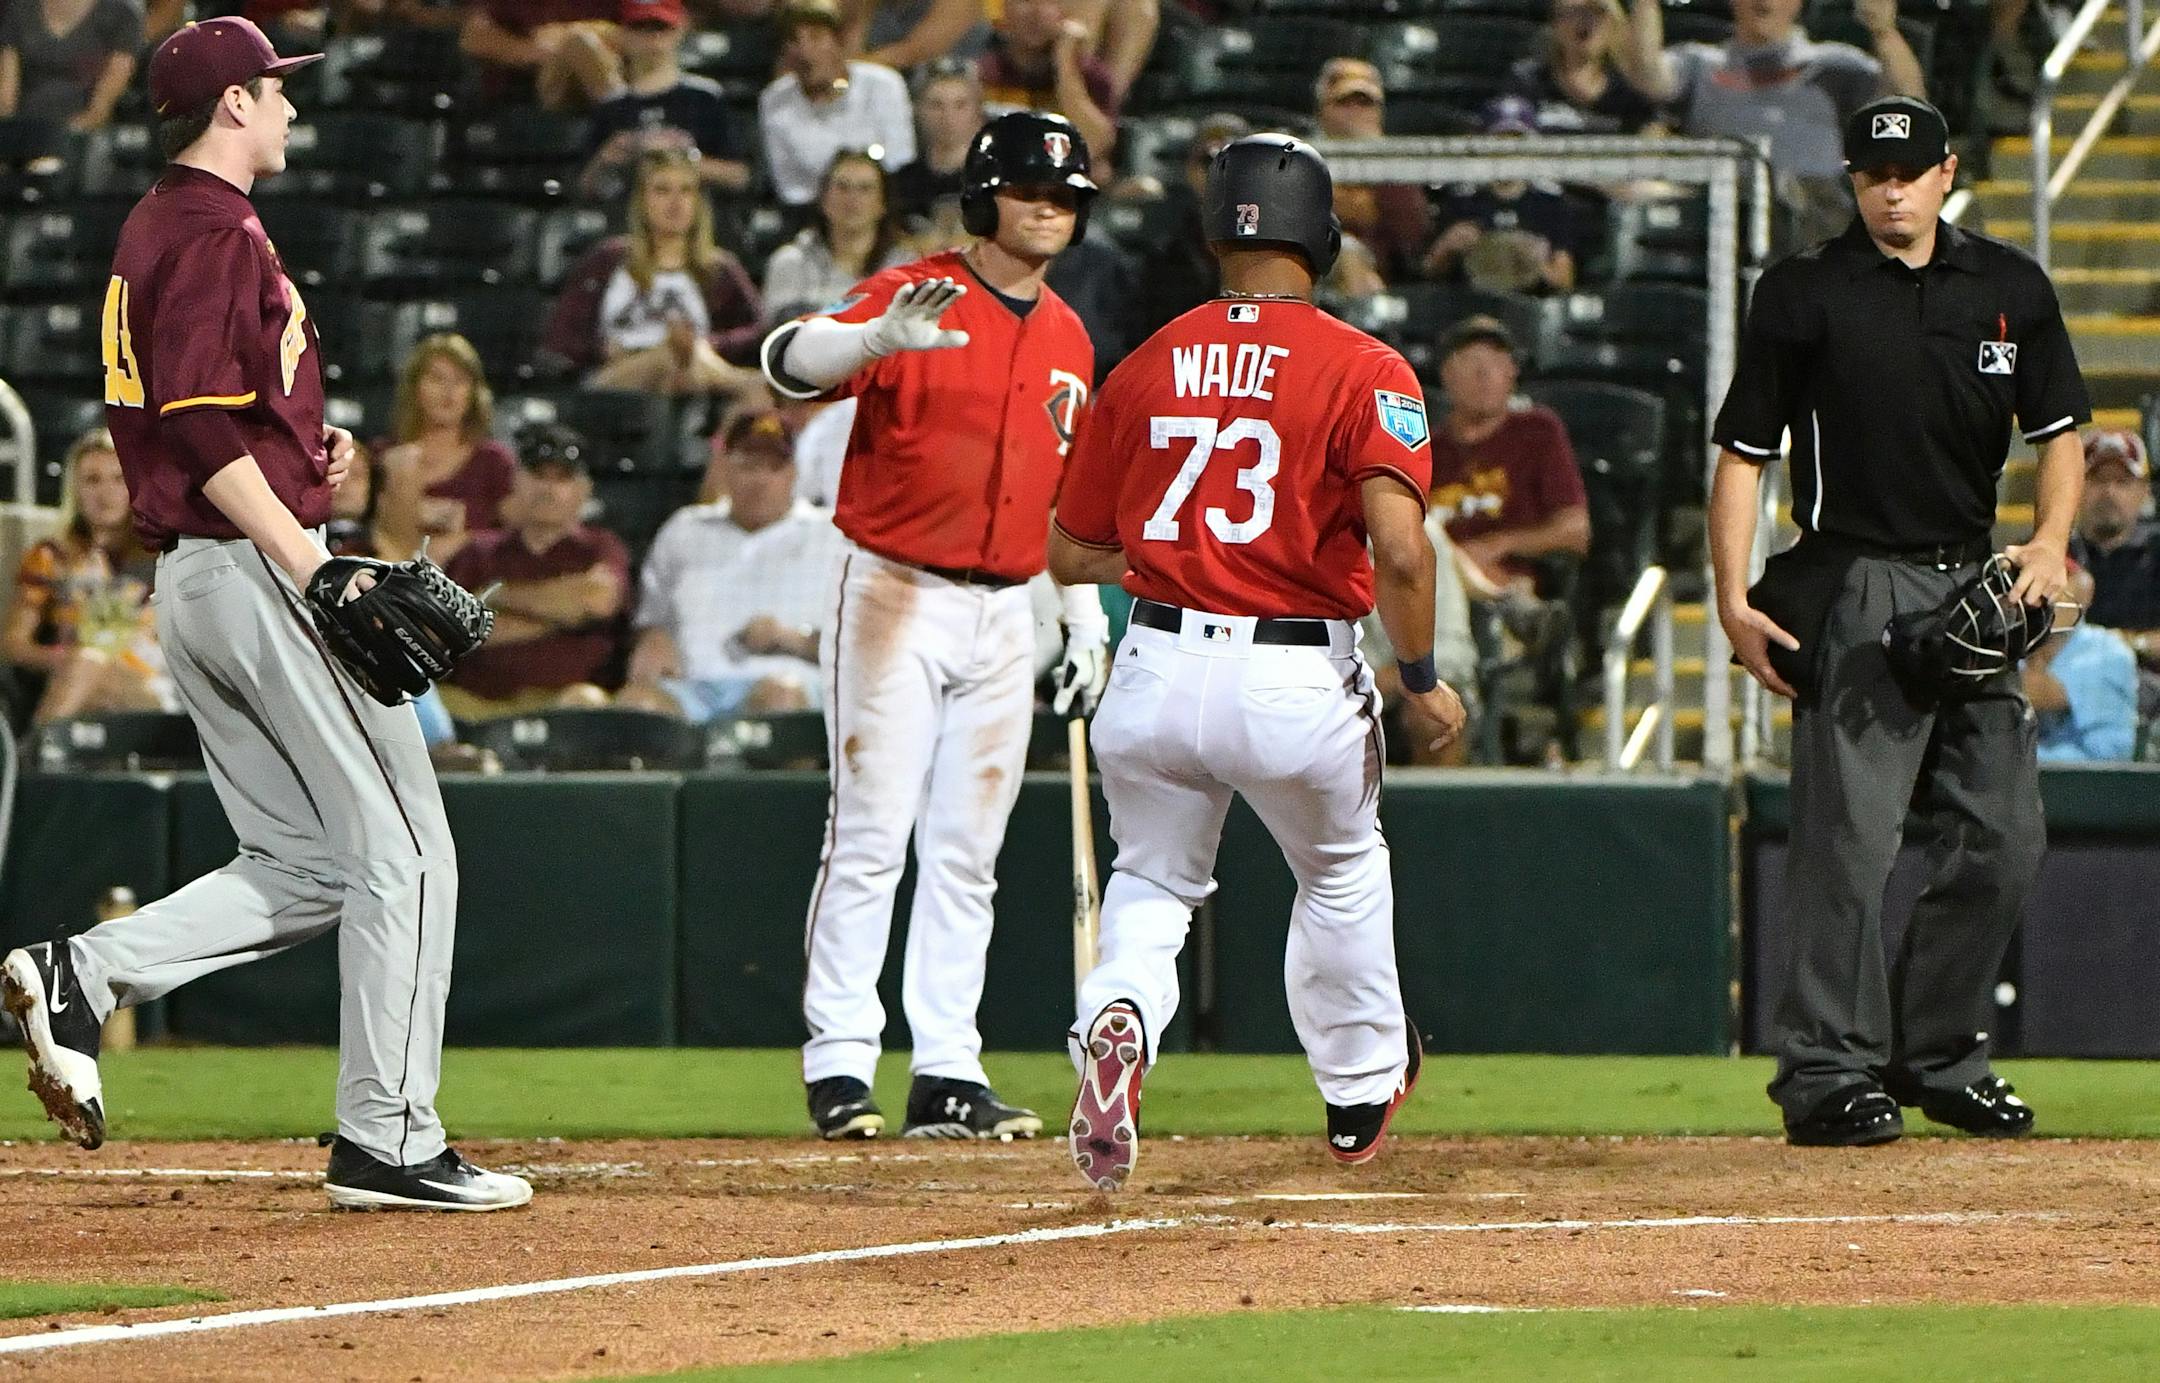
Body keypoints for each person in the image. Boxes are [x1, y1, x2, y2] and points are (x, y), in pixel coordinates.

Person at [0, 18, 530, 1210]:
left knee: (313, 861)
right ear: (230, 104)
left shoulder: (163, 225)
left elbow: (213, 415)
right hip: (251, 570)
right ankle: (389, 1140)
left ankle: (85, 972)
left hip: (205, 572)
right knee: (408, 851)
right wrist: (313, 559)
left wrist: (303, 457)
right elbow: (193, 415)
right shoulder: (210, 222)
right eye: (276, 91)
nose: (292, 108)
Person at [1048, 134, 1466, 1192]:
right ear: (1323, 238)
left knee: (1150, 879)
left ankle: (1118, 1018)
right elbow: (1403, 548)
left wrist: (1178, 555)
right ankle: (1358, 1090)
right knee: (1338, 869)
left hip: (1155, 656)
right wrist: (1419, 678)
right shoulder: (1365, 366)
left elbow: (1064, 547)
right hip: (1294, 670)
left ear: (1211, 236)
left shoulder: (1141, 361)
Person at [1711, 97, 2088, 1147]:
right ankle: (1827, 1070)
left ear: (1946, 173)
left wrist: (2051, 542)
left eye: (1911, 172)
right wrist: (1734, 596)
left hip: (1975, 580)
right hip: (1858, 581)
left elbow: (2060, 431)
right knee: (1849, 844)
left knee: (2007, 838)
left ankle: (1936, 1054)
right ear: (1852, 180)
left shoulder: (2009, 287)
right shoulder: (1803, 292)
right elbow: (1745, 453)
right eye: (1876, 174)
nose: (1893, 189)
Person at [759, 110, 1107, 1142]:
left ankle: (949, 1066)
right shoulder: (918, 289)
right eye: (1031, 189)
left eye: (1066, 196)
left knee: (968, 850)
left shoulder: (1070, 335)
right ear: (984, 194)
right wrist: (867, 338)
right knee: (869, 834)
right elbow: (787, 361)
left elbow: (1069, 497)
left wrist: (1082, 618)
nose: (1049, 207)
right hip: (896, 591)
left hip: (1009, 606)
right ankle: (839, 1063)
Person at [1621, 0, 1926, 247]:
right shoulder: (1700, 65)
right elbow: (1647, 75)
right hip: (1719, 222)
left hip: (1813, 223)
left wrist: (1884, 32)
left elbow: (1908, 103)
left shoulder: (1834, 65)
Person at [618, 412, 845, 721]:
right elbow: (652, 618)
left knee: (779, 699)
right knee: (637, 706)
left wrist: (791, 639)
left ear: (794, 473)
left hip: (788, 683)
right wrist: (654, 639)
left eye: (773, 468)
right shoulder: (685, 529)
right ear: (724, 468)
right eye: (747, 466)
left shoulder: (832, 536)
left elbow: (863, 643)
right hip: (693, 688)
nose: (760, 480)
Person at [440, 423, 631, 720]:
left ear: (584, 490)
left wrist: (497, 594)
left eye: (563, 479)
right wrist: (567, 616)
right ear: (516, 481)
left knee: (589, 702)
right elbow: (453, 631)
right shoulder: (478, 552)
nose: (548, 490)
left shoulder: (601, 547)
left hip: (567, 703)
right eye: (538, 476)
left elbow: (596, 601)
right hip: (473, 705)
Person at [541, 147, 766, 394]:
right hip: (615, 377)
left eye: (686, 191)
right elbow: (561, 337)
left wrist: (705, 344)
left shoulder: (720, 268)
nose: (675, 202)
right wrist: (603, 349)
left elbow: (758, 332)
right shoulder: (606, 260)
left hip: (694, 374)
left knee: (680, 367)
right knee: (671, 358)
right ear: (642, 200)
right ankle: (737, 382)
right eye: (662, 190)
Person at [3, 428, 172, 724]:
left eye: (118, 479)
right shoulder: (52, 556)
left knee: (90, 666)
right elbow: (13, 643)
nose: (105, 492)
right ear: (75, 489)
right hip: (77, 675)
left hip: (154, 681)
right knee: (90, 669)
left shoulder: (162, 555)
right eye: (92, 480)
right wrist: (62, 658)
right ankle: (40, 757)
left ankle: (28, 761)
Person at [1428, 316, 1591, 590]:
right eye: (1470, 360)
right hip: (1435, 585)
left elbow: (1575, 531)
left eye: (1496, 361)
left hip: (1513, 584)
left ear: (1512, 373)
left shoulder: (1538, 431)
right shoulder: (1425, 450)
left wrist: (1500, 544)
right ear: (1446, 374)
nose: (1484, 373)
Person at [578, 0, 753, 202]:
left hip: (697, 216)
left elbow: (740, 177)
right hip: (626, 217)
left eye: (660, 28)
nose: (651, 38)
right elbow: (583, 189)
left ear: (679, 30)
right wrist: (606, 159)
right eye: (640, 28)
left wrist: (678, 159)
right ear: (624, 33)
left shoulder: (705, 97)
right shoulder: (610, 107)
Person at [371, 333, 517, 566]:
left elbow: (517, 536)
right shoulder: (384, 455)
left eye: (460, 381)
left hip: (470, 582)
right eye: (437, 379)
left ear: (473, 393)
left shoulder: (493, 461)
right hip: (394, 576)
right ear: (415, 387)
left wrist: (465, 540)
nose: (448, 392)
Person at [759, 0, 916, 208]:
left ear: (839, 43)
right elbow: (790, 186)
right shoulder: (774, 100)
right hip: (813, 215)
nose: (805, 52)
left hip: (886, 206)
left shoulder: (883, 85)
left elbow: (900, 159)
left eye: (816, 37)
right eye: (794, 40)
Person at [1424, 97, 1581, 295]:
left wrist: (1532, 260)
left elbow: (1564, 280)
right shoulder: (1462, 201)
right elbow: (1430, 271)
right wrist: (1448, 245)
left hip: (1532, 302)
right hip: (1471, 301)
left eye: (1517, 142)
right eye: (1500, 142)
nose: (1508, 151)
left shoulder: (1551, 204)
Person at [761, 149, 916, 324]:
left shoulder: (905, 265)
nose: (852, 199)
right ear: (824, 200)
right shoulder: (790, 262)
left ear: (883, 203)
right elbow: (782, 331)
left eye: (865, 189)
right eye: (842, 187)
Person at [1312, 58, 1431, 282]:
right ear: (1322, 110)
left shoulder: (1393, 163)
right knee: (1347, 252)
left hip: (1379, 272)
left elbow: (1410, 236)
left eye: (1365, 103)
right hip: (1311, 265)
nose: (1355, 112)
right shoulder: (1300, 155)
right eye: (1344, 103)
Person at [977, 0, 1117, 163]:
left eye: (1049, 1)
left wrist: (1064, 62)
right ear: (1005, 9)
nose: (1037, 13)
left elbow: (1095, 144)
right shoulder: (983, 74)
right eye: (1025, 1)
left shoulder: (1091, 76)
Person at [2025, 563, 2137, 763]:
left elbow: (2111, 755)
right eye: (2026, 577)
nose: (2040, 591)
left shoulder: (2107, 652)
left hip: (2087, 788)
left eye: (2055, 577)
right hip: (2009, 786)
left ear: (2086, 588)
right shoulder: (1997, 648)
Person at [2069, 429, 2160, 661]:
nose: (2109, 492)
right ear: (2075, 487)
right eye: (2098, 480)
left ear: (2144, 491)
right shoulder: (2053, 555)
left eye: (2122, 482)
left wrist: (2131, 645)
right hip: (2067, 684)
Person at [1510, 0, 1660, 134]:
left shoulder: (1632, 85)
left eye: (1598, 12)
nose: (1585, 21)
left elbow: (1658, 135)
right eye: (1573, 12)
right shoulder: (1528, 79)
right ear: (1555, 23)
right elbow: (1508, 134)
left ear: (1613, 24)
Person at [460, 0, 625, 111]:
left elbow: (646, 37)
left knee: (580, 42)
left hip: (616, 71)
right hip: (528, 95)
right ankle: (624, 113)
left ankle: (622, 109)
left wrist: (589, 32)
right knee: (578, 44)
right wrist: (542, 52)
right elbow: (474, 38)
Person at [0, 0, 139, 130]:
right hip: (24, 128)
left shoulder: (121, 16)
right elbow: (6, 97)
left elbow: (101, 109)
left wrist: (69, 133)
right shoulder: (20, 10)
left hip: (83, 135)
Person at [890, 56, 983, 232]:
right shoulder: (899, 183)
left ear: (978, 113)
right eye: (936, 105)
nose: (948, 116)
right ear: (918, 112)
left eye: (960, 105)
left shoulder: (996, 182)